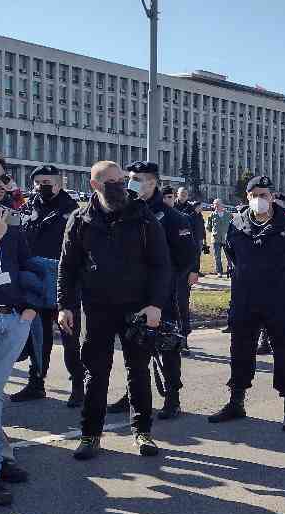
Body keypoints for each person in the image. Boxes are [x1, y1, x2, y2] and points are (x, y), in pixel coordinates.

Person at [58, 161, 172, 460]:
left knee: (138, 371)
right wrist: (65, 306)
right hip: (97, 309)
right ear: (95, 185)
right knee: (95, 374)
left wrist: (156, 305)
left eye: (122, 179)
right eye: (112, 181)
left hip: (137, 309)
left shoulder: (143, 217)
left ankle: (142, 432)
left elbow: (162, 265)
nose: (121, 185)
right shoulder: (80, 219)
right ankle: (90, 435)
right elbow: (67, 268)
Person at [209, 175, 285, 432]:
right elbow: (232, 254)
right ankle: (236, 401)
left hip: (279, 302)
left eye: (263, 195)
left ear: (272, 197)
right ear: (247, 198)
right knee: (240, 352)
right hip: (245, 300)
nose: (259, 200)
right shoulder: (237, 224)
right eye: (254, 195)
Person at [107, 165, 197, 420]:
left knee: (167, 345)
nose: (131, 183)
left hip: (163, 294)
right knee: (134, 347)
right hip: (131, 294)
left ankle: (172, 397)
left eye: (137, 180)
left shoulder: (171, 217)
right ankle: (133, 393)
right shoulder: (124, 211)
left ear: (153, 183)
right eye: (130, 179)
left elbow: (186, 256)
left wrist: (164, 284)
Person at [10, 164, 84, 407]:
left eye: (49, 181)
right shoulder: (28, 208)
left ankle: (78, 386)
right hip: (36, 282)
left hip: (64, 282)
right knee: (38, 337)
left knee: (70, 337)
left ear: (59, 182)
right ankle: (36, 383)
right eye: (39, 181)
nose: (44, 186)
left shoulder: (72, 209)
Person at [0, 159, 39, 505]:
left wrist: (29, 308)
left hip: (12, 318)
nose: (1, 184)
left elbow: (25, 265)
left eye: (3, 178)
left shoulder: (12, 222)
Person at [177, 193, 207, 352]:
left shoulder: (187, 217)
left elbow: (193, 247)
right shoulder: (157, 215)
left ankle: (183, 339)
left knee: (182, 306)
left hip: (182, 272)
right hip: (165, 273)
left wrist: (194, 270)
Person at [207, 198, 233, 277]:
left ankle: (230, 270)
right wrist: (214, 232)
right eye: (215, 204)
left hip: (226, 239)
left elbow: (233, 224)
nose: (216, 206)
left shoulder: (228, 214)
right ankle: (219, 272)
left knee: (229, 256)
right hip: (216, 238)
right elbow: (209, 227)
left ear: (222, 204)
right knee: (217, 257)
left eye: (218, 204)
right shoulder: (212, 215)